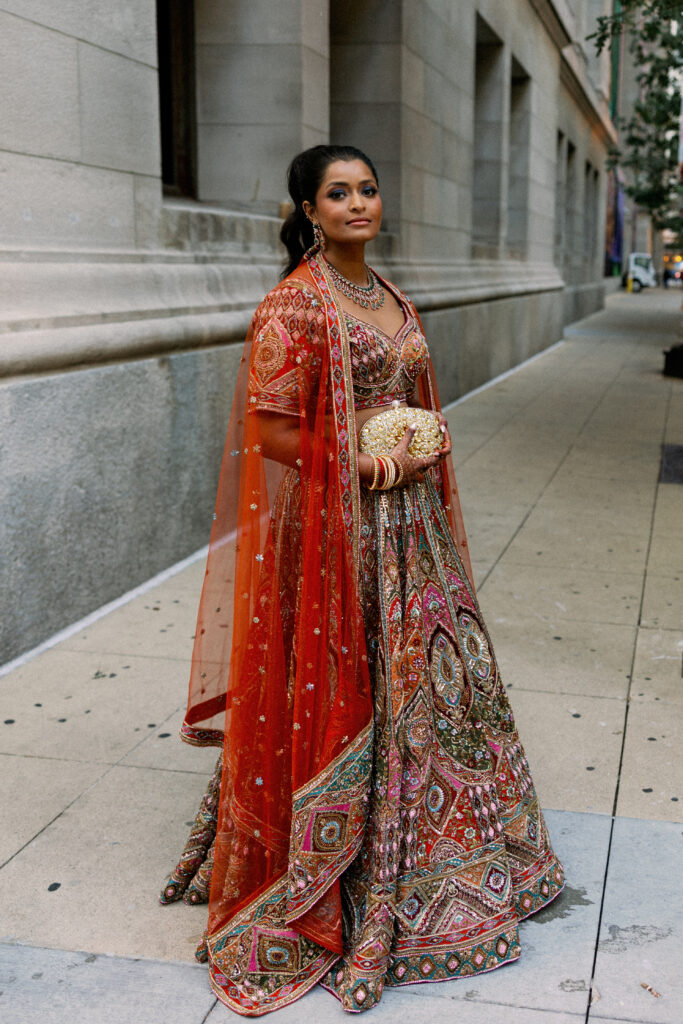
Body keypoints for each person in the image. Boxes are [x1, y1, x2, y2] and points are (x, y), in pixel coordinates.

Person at [160, 144, 564, 1015]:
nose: (356, 204)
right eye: (337, 193)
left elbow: (413, 399)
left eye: (367, 189)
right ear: (308, 208)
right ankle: (337, 872)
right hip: (339, 531)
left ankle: (452, 861)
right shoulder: (294, 307)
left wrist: (420, 443)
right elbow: (268, 435)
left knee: (436, 690)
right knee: (350, 689)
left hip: (413, 534)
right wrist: (364, 462)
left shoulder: (389, 297)